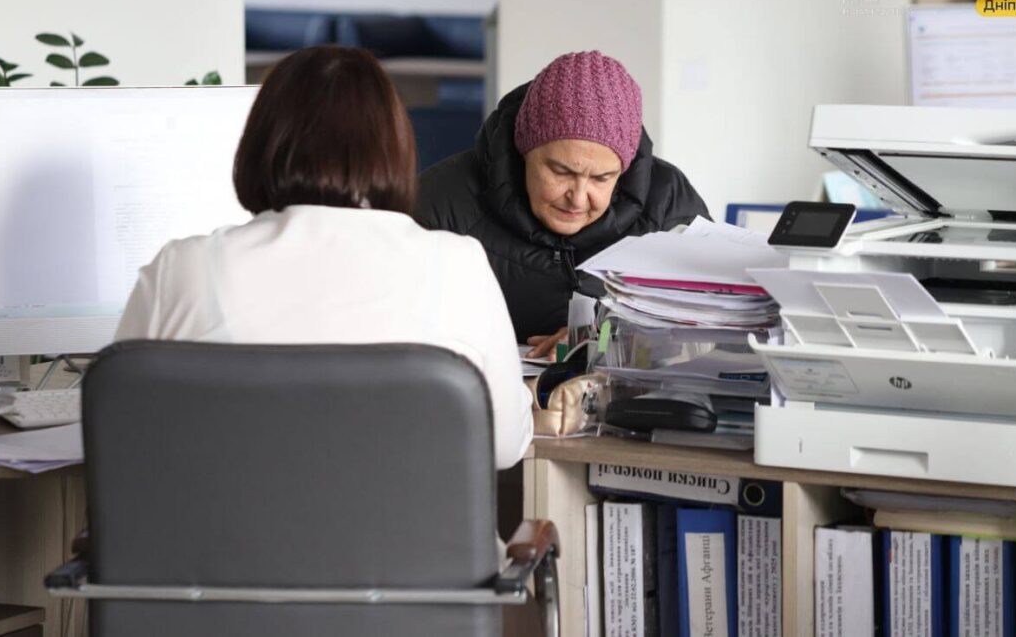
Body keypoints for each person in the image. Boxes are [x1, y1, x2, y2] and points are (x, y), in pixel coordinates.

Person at [115, 45, 533, 470]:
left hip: (220, 514)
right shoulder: (459, 266)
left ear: (260, 145)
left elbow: (119, 434)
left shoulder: (183, 269)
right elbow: (503, 446)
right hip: (404, 515)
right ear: (396, 147)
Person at [416, 50, 710, 357]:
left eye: (602, 178)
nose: (578, 197)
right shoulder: (440, 203)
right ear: (523, 150)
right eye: (561, 171)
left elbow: (713, 327)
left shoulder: (667, 203)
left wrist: (610, 336)